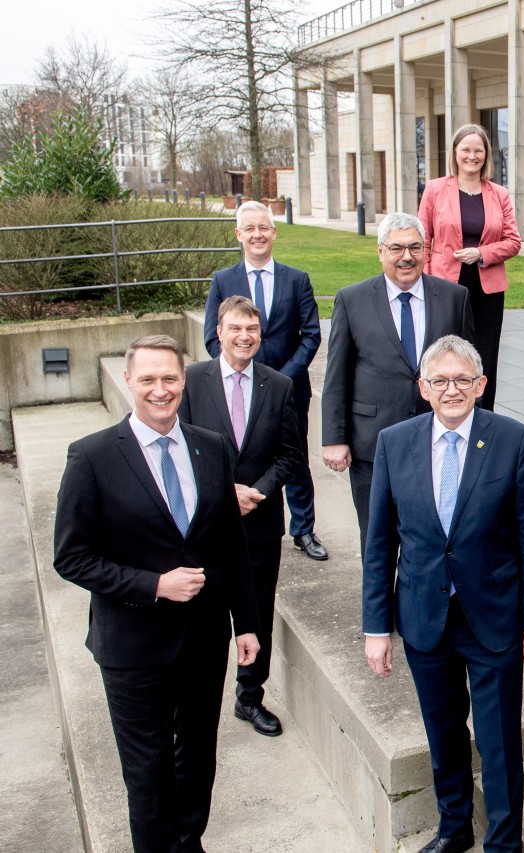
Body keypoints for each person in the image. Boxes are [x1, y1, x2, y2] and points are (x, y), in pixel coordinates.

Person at [53, 335, 260, 853]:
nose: (160, 389)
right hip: (133, 644)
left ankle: (188, 841)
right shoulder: (92, 457)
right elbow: (71, 557)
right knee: (147, 770)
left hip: (203, 639)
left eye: (169, 378)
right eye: (148, 379)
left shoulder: (210, 446)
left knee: (197, 757)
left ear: (183, 381)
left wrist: (248, 622)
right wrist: (154, 586)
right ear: (128, 383)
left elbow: (232, 547)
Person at [363, 335, 524, 853]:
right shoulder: (394, 442)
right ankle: (453, 829)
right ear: (423, 388)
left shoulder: (513, 440)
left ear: (481, 385)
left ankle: (504, 842)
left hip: (492, 619)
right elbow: (379, 543)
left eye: (463, 380)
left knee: (497, 743)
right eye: (441, 381)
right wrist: (376, 626)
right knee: (444, 735)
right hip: (424, 618)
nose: (453, 389)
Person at [179, 296, 304, 738]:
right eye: (235, 328)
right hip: (205, 527)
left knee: (256, 613)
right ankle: (195, 698)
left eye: (252, 329)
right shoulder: (191, 381)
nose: (244, 336)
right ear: (218, 331)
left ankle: (249, 698)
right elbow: (181, 449)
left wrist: (259, 491)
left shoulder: (279, 385)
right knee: (204, 617)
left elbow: (290, 454)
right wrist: (223, 492)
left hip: (259, 523)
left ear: (260, 334)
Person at [322, 212, 474, 550]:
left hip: (438, 441)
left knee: (433, 540)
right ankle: (378, 605)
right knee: (377, 541)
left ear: (427, 251)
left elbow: (469, 374)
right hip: (371, 446)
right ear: (380, 252)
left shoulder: (454, 298)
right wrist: (334, 438)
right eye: (396, 248)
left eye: (415, 247)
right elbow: (337, 375)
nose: (406, 257)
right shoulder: (352, 300)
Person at [204, 200, 327, 561]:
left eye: (264, 228)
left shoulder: (296, 279)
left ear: (273, 232)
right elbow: (213, 338)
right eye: (250, 229)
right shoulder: (223, 280)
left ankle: (303, 528)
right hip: (237, 389)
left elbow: (311, 335)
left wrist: (281, 379)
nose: (257, 235)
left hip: (289, 389)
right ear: (238, 234)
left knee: (295, 456)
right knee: (244, 455)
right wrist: (239, 372)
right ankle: (243, 519)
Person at [418, 123, 521, 411]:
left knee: (485, 355)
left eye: (478, 150)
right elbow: (423, 239)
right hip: (445, 286)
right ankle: (441, 411)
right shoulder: (436, 190)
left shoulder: (498, 193)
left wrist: (481, 252)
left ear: (486, 155)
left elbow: (513, 241)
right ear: (455, 152)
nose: (472, 156)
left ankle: (483, 417)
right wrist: (424, 282)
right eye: (466, 149)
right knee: (444, 352)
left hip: (487, 289)